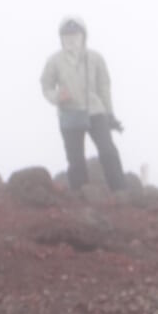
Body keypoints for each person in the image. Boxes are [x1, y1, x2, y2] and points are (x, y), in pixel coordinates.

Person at [40, 16, 126, 192]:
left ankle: (121, 192)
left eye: (75, 34)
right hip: (69, 113)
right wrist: (57, 96)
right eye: (67, 35)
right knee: (75, 159)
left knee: (108, 151)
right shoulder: (54, 61)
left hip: (96, 111)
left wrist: (109, 114)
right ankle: (81, 197)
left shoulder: (95, 58)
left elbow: (104, 87)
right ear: (61, 37)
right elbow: (45, 85)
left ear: (83, 36)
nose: (71, 38)